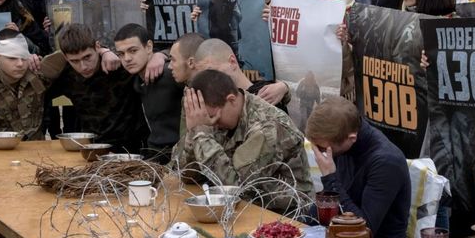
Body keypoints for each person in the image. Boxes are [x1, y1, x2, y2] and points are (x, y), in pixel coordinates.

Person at [173, 69, 312, 209]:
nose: (211, 124)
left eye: (213, 117)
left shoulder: (266, 128)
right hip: (247, 207)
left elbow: (237, 188)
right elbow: (187, 176)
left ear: (231, 100)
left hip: (288, 215)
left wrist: (201, 135)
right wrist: (193, 134)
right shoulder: (214, 117)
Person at [306, 96, 411, 238]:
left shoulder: (386, 161)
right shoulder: (344, 144)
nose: (318, 153)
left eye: (322, 148)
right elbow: (331, 206)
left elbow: (364, 230)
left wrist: (330, 178)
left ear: (351, 138)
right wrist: (299, 225)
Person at [38, 23, 152, 154]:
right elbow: (39, 82)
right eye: (74, 61)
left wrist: (162, 56)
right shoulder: (66, 76)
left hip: (132, 149)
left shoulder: (121, 65)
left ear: (97, 47)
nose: (83, 66)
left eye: (87, 57)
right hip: (91, 149)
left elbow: (152, 57)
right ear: (65, 58)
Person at [113, 23, 182, 162]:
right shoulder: (135, 80)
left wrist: (164, 55)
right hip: (154, 155)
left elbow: (197, 47)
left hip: (179, 157)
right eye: (121, 54)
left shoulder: (172, 74)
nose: (126, 58)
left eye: (133, 51)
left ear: (149, 47)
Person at [192, 38, 290, 113]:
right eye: (203, 77)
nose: (208, 82)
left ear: (232, 62)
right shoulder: (210, 106)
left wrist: (285, 87)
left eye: (213, 72)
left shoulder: (266, 95)